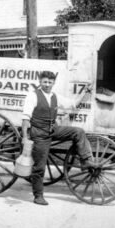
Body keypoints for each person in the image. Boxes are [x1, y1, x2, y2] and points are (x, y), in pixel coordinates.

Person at [21, 71, 94, 206]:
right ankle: (38, 195)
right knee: (39, 167)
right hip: (39, 134)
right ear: (40, 82)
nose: (47, 84)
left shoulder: (55, 96)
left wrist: (85, 93)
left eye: (50, 82)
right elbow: (26, 119)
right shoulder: (33, 96)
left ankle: (85, 161)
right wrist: (25, 138)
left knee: (78, 132)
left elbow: (72, 104)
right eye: (45, 82)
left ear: (53, 83)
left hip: (52, 130)